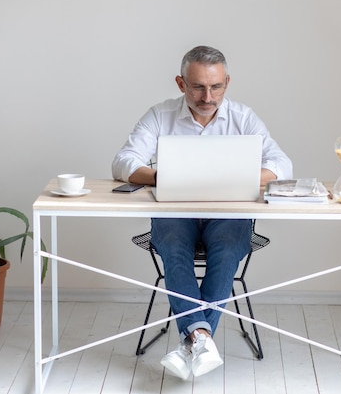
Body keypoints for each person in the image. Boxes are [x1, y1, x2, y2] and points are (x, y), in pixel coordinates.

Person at [112, 45, 292, 379]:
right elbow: (123, 162)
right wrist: (166, 176)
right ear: (181, 84)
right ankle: (202, 337)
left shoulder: (243, 117)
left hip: (228, 213)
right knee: (173, 248)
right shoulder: (160, 114)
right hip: (175, 212)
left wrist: (237, 177)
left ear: (226, 82)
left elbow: (282, 164)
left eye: (216, 87)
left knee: (226, 249)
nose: (207, 97)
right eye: (197, 87)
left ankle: (192, 339)